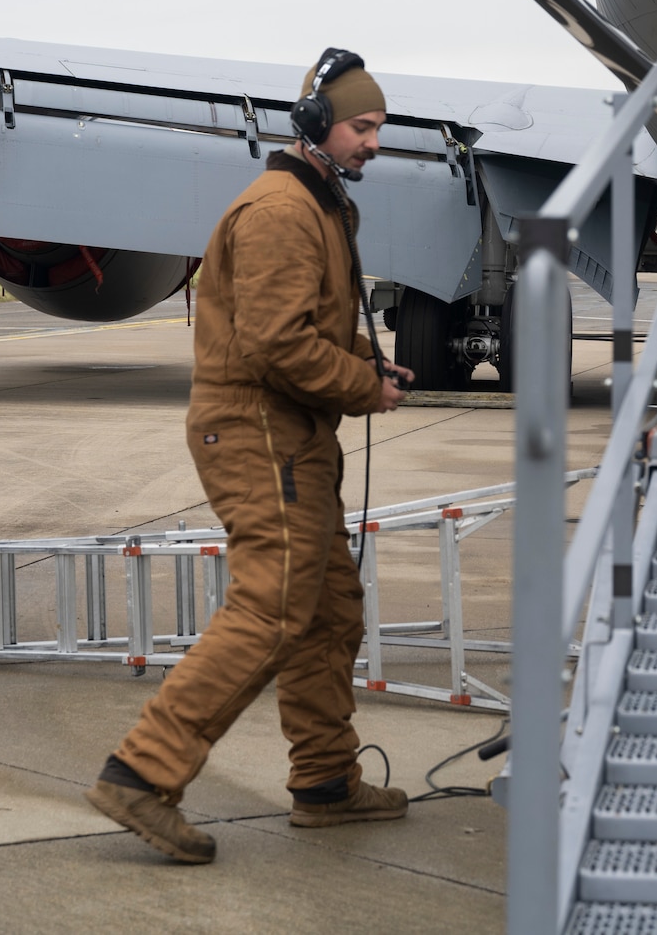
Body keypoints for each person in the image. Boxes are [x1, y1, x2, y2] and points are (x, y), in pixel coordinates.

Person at [85, 48, 413, 864]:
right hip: (258, 432)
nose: (374, 142)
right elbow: (274, 346)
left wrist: (364, 368)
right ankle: (140, 774)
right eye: (362, 126)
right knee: (271, 609)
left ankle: (327, 784)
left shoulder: (319, 202)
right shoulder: (279, 212)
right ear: (314, 126)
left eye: (379, 127)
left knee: (331, 611)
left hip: (292, 434)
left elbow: (299, 333)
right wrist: (360, 386)